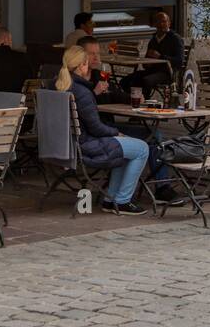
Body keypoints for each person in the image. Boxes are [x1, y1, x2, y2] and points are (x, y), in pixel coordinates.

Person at [57, 46, 149, 215]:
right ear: (82, 66)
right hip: (88, 145)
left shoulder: (61, 87)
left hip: (70, 144)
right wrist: (116, 132)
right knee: (142, 148)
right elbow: (96, 128)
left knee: (129, 149)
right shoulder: (82, 92)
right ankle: (122, 201)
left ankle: (111, 199)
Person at [121, 10, 184, 97]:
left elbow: (179, 61)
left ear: (169, 23)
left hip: (167, 73)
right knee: (126, 80)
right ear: (154, 24)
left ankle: (143, 101)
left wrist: (160, 56)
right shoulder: (153, 40)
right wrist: (147, 64)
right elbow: (146, 63)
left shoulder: (175, 39)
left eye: (164, 21)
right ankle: (134, 99)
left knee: (146, 80)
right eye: (158, 21)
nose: (161, 24)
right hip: (152, 71)